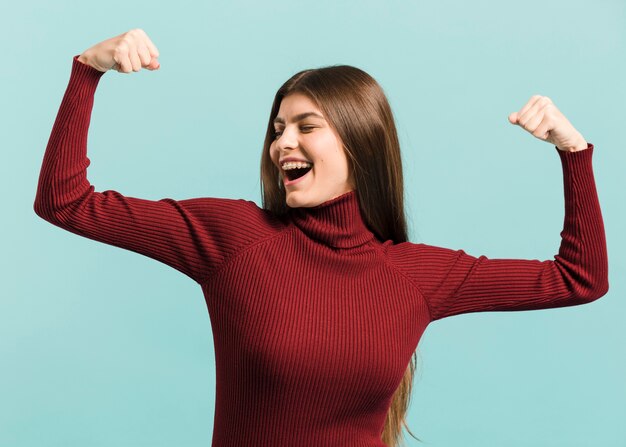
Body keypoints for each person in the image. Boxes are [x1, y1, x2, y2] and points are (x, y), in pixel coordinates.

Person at [34, 28, 609, 447]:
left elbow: (578, 278)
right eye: (278, 129)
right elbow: (65, 202)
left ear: (359, 144)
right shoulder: (233, 238)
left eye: (307, 127)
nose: (283, 143)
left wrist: (573, 152)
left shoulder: (414, 276)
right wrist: (89, 68)